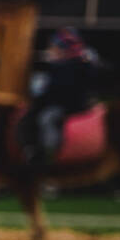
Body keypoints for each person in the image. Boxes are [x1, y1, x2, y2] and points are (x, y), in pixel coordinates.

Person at [22, 27, 106, 166]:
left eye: (54, 47)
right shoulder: (67, 64)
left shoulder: (72, 66)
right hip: (67, 102)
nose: (51, 50)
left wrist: (41, 97)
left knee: (47, 119)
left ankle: (48, 154)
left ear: (64, 49)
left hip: (70, 105)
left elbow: (59, 91)